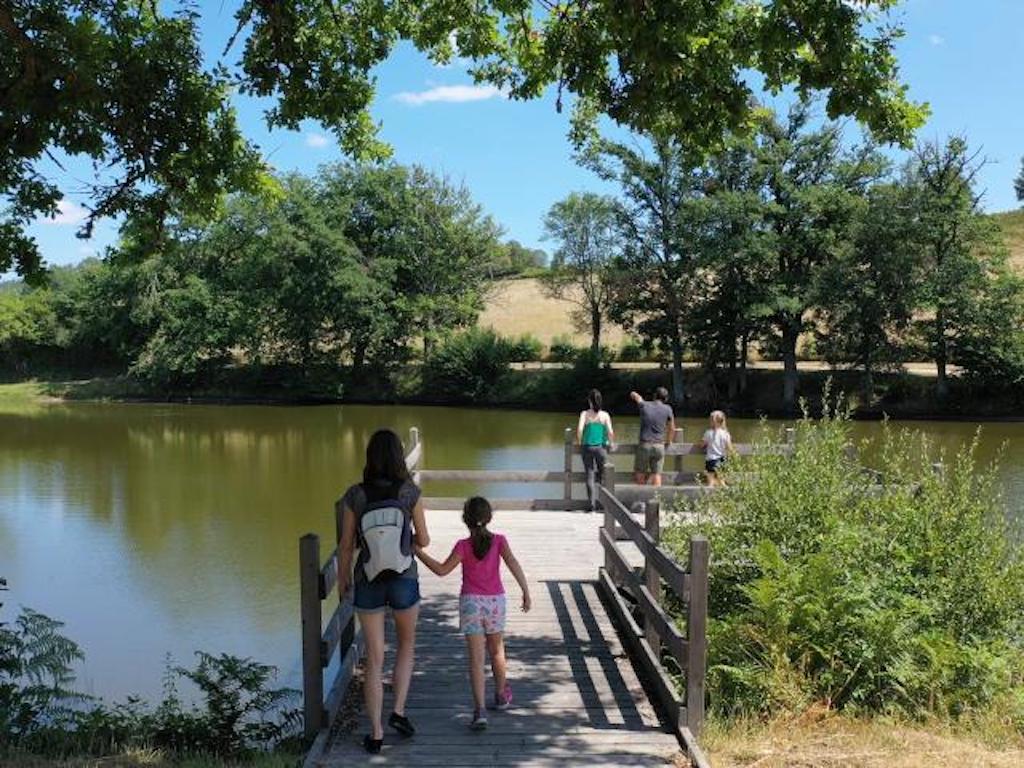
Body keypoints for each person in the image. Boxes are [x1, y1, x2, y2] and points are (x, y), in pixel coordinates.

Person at [336, 429, 430, 755]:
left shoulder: (355, 495)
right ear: (398, 455)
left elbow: (346, 545)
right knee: (406, 644)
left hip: (368, 578)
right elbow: (425, 540)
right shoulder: (409, 492)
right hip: (404, 576)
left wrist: (344, 578)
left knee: (374, 658)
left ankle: (375, 734)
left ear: (370, 457)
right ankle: (398, 712)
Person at [415, 497, 532, 731]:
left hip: (470, 603)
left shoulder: (463, 546)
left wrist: (417, 551)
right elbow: (513, 564)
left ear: (465, 520)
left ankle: (479, 710)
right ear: (489, 518)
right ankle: (501, 694)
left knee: (476, 659)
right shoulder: (499, 541)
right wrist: (525, 591)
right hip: (495, 602)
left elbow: (441, 570)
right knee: (497, 650)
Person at [577, 388, 615, 512]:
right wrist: (610, 442)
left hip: (587, 447)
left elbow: (580, 430)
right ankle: (603, 504)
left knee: (589, 475)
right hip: (601, 447)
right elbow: (610, 432)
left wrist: (579, 441)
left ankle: (591, 505)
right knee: (603, 475)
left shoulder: (585, 414)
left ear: (590, 401)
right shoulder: (604, 415)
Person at [629, 387, 676, 486]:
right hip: (659, 445)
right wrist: (669, 441)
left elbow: (637, 397)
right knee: (657, 474)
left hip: (645, 445)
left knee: (640, 472)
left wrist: (633, 393)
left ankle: (641, 498)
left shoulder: (645, 405)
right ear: (666, 399)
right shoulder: (668, 409)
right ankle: (656, 499)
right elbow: (672, 428)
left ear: (654, 396)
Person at [700, 410, 734, 487]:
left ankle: (708, 497)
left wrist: (701, 444)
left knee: (711, 483)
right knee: (722, 482)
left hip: (711, 460)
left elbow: (702, 445)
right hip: (722, 460)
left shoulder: (708, 433)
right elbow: (729, 447)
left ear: (712, 421)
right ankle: (726, 496)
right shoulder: (726, 433)